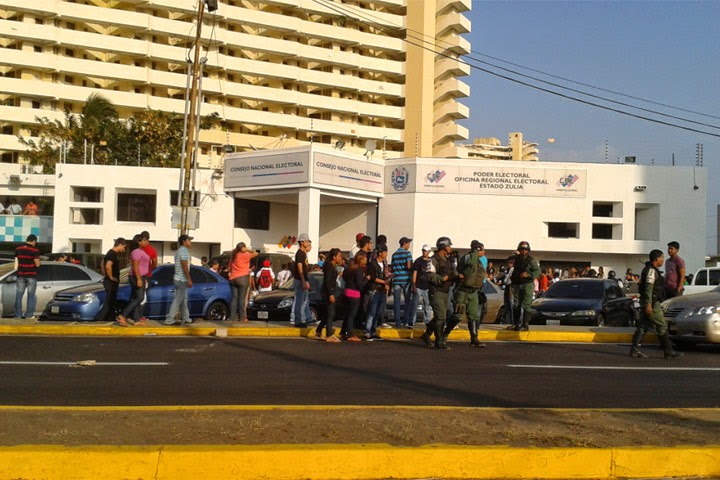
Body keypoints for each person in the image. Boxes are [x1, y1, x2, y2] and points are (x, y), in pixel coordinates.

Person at [629, 249, 683, 359]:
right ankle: (669, 351)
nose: (663, 260)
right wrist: (649, 304)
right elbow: (649, 288)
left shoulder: (650, 270)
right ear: (657, 258)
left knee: (643, 326)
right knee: (661, 325)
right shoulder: (651, 271)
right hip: (652, 303)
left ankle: (635, 350)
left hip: (648, 302)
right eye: (662, 258)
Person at [445, 239, 487, 348]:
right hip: (463, 291)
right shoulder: (468, 257)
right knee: (458, 315)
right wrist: (475, 252)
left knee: (473, 316)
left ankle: (474, 338)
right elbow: (469, 263)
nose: (484, 252)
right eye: (482, 250)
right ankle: (444, 335)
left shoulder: (479, 261)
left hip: (473, 292)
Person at [421, 236, 457, 350]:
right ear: (443, 247)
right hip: (436, 291)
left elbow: (453, 272)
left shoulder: (449, 260)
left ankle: (427, 335)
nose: (450, 248)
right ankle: (439, 341)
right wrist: (443, 278)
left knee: (440, 316)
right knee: (441, 317)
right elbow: (430, 275)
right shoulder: (433, 260)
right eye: (448, 246)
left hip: (446, 291)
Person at [117, 234, 151, 327]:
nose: (146, 242)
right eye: (144, 240)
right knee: (139, 297)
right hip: (136, 276)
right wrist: (139, 279)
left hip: (141, 276)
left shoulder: (140, 251)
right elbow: (135, 266)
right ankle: (123, 315)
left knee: (135, 297)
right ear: (139, 242)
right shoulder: (136, 252)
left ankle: (136, 320)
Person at [509, 241, 541, 331]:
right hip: (517, 284)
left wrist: (529, 274)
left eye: (525, 249)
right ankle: (516, 324)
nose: (523, 251)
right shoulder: (517, 259)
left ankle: (525, 325)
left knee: (526, 305)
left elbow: (538, 271)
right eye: (522, 249)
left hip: (527, 284)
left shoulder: (531, 260)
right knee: (516, 304)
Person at [94, 237, 127, 322]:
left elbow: (102, 264)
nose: (124, 249)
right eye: (124, 247)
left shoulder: (111, 254)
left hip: (110, 281)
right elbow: (107, 266)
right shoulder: (112, 254)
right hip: (111, 282)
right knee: (109, 302)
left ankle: (111, 318)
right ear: (119, 245)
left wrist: (105, 275)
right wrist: (110, 277)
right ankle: (99, 319)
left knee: (112, 302)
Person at [164, 234, 194, 325]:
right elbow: (184, 266)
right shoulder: (184, 251)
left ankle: (186, 317)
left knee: (183, 299)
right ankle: (169, 319)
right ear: (184, 241)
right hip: (181, 279)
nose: (190, 242)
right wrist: (189, 279)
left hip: (178, 278)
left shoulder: (179, 251)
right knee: (178, 299)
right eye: (189, 240)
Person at [340, 251, 368, 342]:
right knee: (352, 315)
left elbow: (344, 277)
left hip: (347, 292)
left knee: (347, 314)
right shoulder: (359, 270)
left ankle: (343, 332)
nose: (366, 260)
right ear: (361, 259)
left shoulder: (349, 268)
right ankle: (350, 334)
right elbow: (359, 284)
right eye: (365, 258)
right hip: (354, 294)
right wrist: (366, 279)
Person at [316, 248, 343, 342]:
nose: (341, 258)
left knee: (327, 314)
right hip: (328, 293)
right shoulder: (330, 267)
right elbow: (328, 281)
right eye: (339, 256)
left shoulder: (332, 266)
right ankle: (329, 334)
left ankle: (318, 331)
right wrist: (330, 294)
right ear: (334, 257)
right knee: (331, 313)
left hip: (328, 291)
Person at [363, 243, 390, 340]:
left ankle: (373, 330)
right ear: (380, 253)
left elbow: (385, 276)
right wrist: (384, 282)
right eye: (385, 252)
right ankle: (367, 331)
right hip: (374, 290)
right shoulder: (372, 264)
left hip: (382, 290)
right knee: (372, 312)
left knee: (378, 312)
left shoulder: (384, 264)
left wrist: (387, 284)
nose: (386, 254)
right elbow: (372, 278)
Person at [228, 242, 259, 322]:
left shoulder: (233, 255)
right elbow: (256, 253)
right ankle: (242, 317)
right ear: (243, 248)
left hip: (232, 278)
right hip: (242, 277)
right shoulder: (245, 255)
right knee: (241, 299)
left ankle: (232, 317)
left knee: (234, 298)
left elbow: (229, 267)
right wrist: (247, 249)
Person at [14, 234, 40, 320]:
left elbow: (16, 262)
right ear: (34, 241)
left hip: (20, 275)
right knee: (31, 296)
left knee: (19, 295)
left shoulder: (18, 249)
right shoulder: (34, 250)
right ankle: (29, 315)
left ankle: (18, 315)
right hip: (31, 276)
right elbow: (37, 264)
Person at [391, 236, 414, 328]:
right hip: (406, 279)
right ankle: (405, 321)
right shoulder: (407, 254)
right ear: (404, 244)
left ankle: (397, 322)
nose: (409, 246)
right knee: (407, 301)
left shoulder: (394, 254)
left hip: (396, 279)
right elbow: (409, 266)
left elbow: (392, 267)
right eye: (408, 243)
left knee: (396, 302)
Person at [292, 233, 313, 327]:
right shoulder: (300, 254)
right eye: (306, 241)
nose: (308, 243)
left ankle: (303, 319)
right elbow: (300, 268)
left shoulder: (304, 254)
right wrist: (304, 281)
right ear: (301, 242)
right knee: (300, 301)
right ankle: (298, 321)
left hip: (303, 280)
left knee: (304, 301)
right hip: (300, 280)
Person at [411, 244, 433, 326]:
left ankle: (427, 321)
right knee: (414, 304)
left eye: (426, 251)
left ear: (429, 252)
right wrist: (413, 284)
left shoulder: (431, 261)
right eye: (423, 250)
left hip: (427, 286)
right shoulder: (418, 261)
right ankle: (412, 321)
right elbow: (415, 273)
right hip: (419, 286)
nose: (424, 252)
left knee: (427, 305)